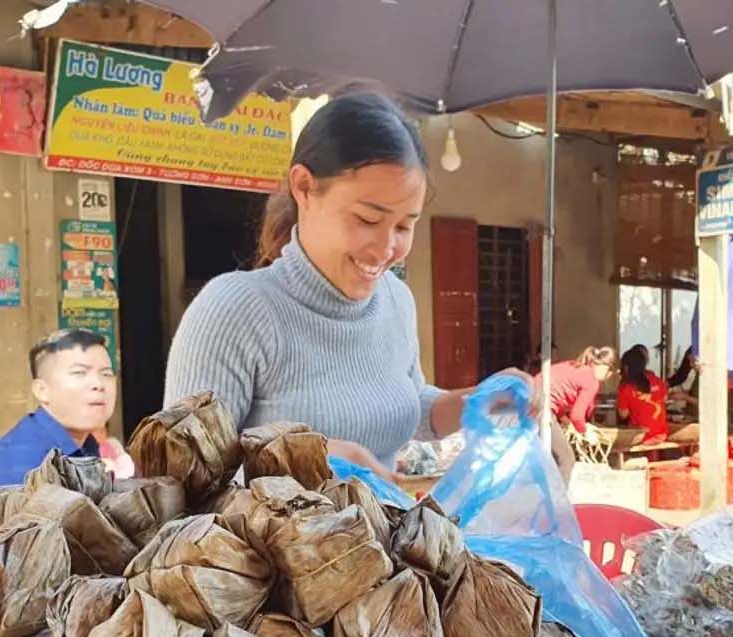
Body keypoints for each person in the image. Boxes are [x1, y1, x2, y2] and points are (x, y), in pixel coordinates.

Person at [163, 92, 540, 483]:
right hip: (266, 545)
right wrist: (304, 460)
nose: (387, 248)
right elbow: (178, 476)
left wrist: (479, 400)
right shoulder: (234, 311)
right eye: (367, 219)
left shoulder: (396, 301)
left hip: (381, 542)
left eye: (404, 226)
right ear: (304, 187)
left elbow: (407, 408)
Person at [0, 329, 117, 539]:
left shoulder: (85, 445)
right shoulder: (25, 462)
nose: (98, 385)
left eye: (106, 373)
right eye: (79, 373)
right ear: (42, 390)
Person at [539, 345, 616, 481]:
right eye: (610, 373)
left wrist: (564, 420)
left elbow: (558, 393)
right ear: (606, 368)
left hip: (532, 402)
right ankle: (558, 499)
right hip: (540, 409)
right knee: (566, 458)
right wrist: (586, 432)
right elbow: (577, 416)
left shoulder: (574, 366)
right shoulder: (591, 379)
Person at [668, 347, 733, 437]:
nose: (691, 365)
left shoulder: (728, 379)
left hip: (729, 430)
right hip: (716, 424)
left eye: (692, 361)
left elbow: (711, 405)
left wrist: (685, 397)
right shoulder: (712, 374)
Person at [617, 345, 669, 443]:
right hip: (661, 434)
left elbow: (623, 415)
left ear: (626, 367)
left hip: (640, 437)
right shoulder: (658, 381)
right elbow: (665, 399)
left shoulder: (626, 387)